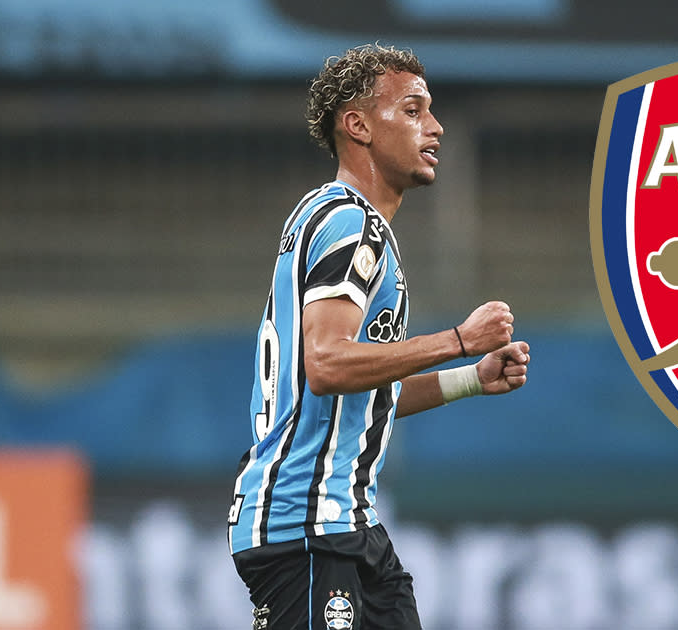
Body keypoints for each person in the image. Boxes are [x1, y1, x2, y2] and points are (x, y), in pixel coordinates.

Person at [227, 44, 529, 630]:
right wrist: (460, 340)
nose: (435, 127)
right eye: (413, 110)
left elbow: (357, 397)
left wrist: (471, 377)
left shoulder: (346, 222)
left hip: (346, 524)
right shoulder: (350, 222)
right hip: (304, 524)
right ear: (358, 125)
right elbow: (327, 365)